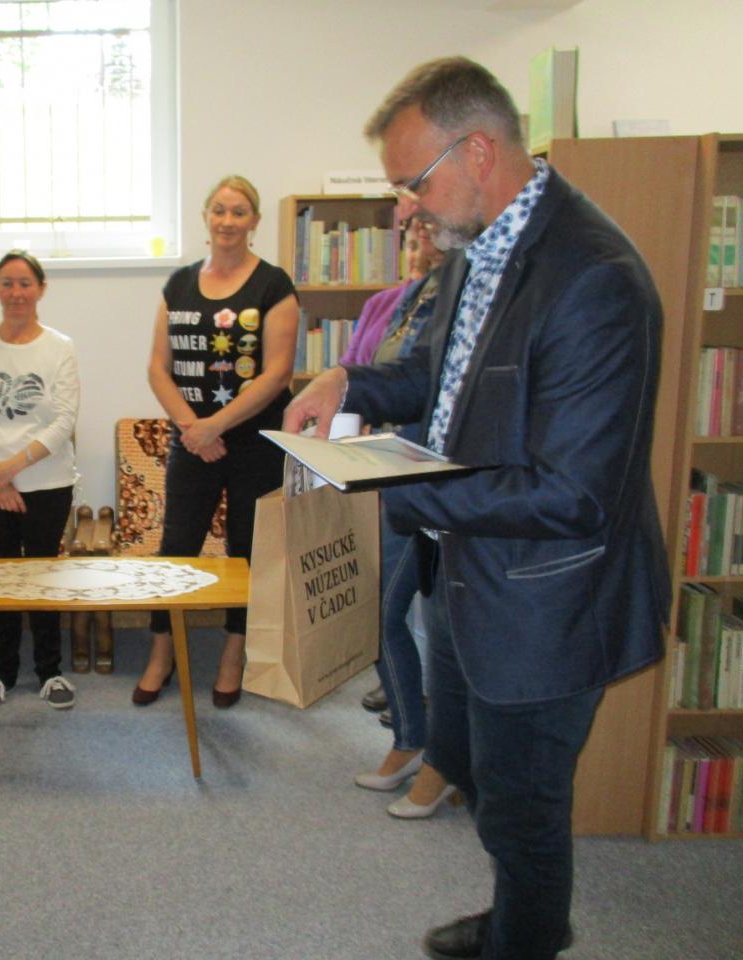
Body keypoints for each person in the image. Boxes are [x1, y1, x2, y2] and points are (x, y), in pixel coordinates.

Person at [284, 57, 668, 960]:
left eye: (413, 183)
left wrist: (381, 482)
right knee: (487, 783)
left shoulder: (593, 276)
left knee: (526, 805)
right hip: (467, 570)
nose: (406, 209)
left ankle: (527, 938)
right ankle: (525, 919)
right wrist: (350, 380)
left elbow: (572, 494)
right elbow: (440, 377)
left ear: (480, 152)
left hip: (547, 601)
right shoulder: (478, 245)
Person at [134, 175, 299, 709]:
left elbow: (277, 374)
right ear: (206, 216)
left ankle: (234, 653)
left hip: (255, 443)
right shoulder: (178, 284)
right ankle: (162, 651)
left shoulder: (273, 285)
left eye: (239, 211)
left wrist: (216, 425)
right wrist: (193, 429)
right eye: (220, 210)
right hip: (192, 440)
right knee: (176, 548)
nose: (228, 220)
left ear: (254, 222)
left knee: (246, 551)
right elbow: (158, 369)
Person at [346, 220, 457, 820]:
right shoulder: (413, 295)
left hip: (442, 485)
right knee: (378, 615)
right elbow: (389, 379)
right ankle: (413, 740)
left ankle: (442, 759)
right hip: (395, 475)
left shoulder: (466, 289)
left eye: (425, 220)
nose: (416, 232)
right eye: (410, 224)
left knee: (436, 627)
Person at [0, 250, 81, 711]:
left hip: (47, 482)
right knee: (0, 577)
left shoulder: (60, 347)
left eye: (25, 283)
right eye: (7, 283)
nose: (16, 292)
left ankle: (50, 671)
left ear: (41, 289)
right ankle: (0, 672)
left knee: (42, 576)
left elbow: (64, 421)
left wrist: (11, 468)